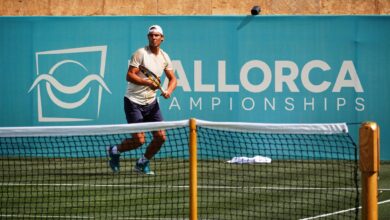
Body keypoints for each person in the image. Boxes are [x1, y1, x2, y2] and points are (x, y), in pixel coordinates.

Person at [107, 25, 177, 175]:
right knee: (139, 140)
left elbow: (173, 79)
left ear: (162, 38)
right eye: (151, 35)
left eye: (157, 35)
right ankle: (114, 151)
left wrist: (169, 91)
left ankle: (142, 163)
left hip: (151, 103)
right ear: (148, 37)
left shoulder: (165, 57)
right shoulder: (140, 53)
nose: (154, 38)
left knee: (161, 137)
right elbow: (130, 75)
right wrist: (147, 82)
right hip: (133, 101)